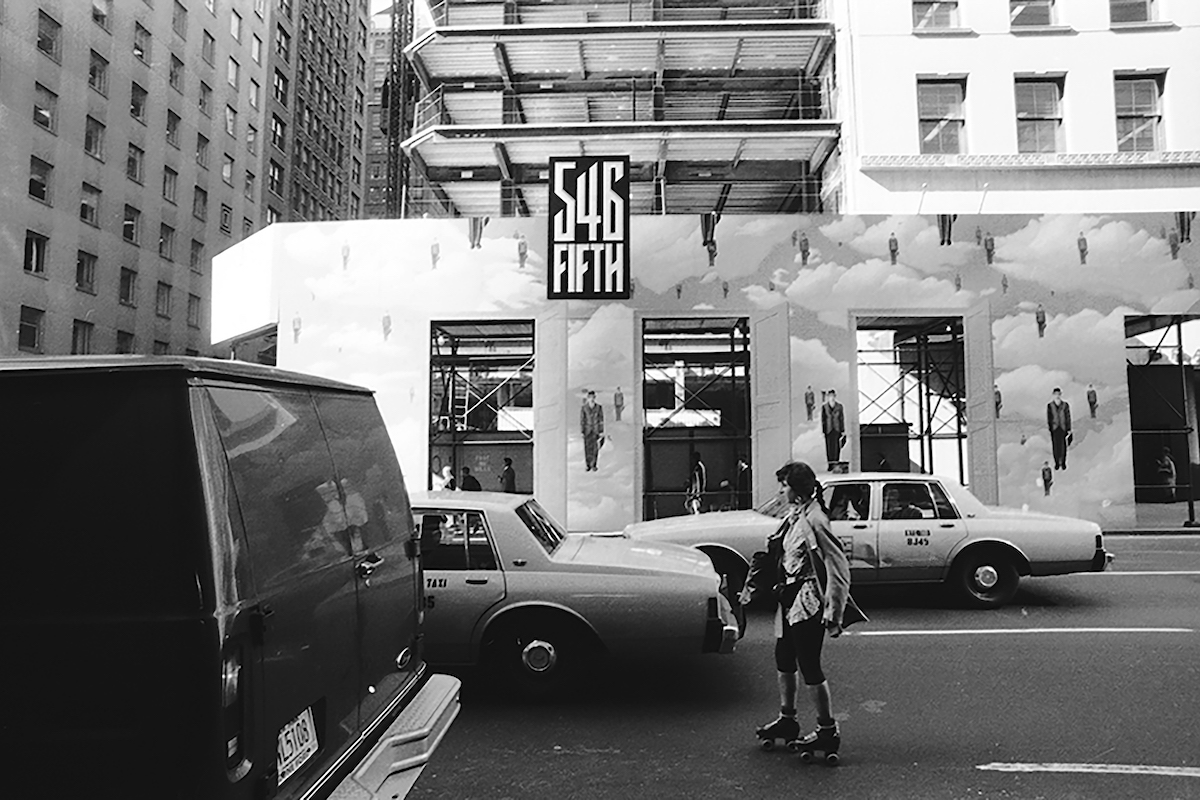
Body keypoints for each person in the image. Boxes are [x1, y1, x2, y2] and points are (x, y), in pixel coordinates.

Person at [743, 461, 866, 759]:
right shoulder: (794, 515)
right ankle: (788, 721)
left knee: (809, 664)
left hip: (808, 601)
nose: (780, 490)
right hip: (788, 598)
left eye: (784, 485)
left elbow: (838, 566)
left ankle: (827, 731)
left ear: (796, 490)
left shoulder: (816, 519)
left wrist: (833, 609)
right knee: (784, 658)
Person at [1047, 387, 1072, 470]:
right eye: (1055, 394)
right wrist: (1050, 428)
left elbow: (1068, 417)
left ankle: (1063, 462)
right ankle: (1057, 462)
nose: (1057, 396)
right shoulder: (1050, 406)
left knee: (1063, 446)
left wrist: (1069, 428)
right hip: (1054, 428)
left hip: (1063, 427)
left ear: (1060, 395)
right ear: (1053, 395)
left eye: (1058, 394)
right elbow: (1049, 418)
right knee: (1055, 446)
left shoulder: (1065, 405)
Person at [581, 390, 605, 472]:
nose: (591, 399)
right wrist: (582, 431)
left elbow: (601, 420)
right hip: (587, 430)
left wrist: (601, 431)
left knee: (595, 448)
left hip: (595, 430)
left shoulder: (598, 407)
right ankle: (588, 465)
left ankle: (594, 464)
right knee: (587, 448)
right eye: (590, 397)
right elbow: (582, 420)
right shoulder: (584, 408)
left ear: (595, 398)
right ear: (588, 398)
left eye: (593, 397)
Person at [821, 389, 845, 465]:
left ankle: (836, 462)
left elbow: (841, 418)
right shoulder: (825, 407)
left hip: (837, 428)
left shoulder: (839, 406)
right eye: (830, 396)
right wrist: (824, 430)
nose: (831, 397)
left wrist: (842, 429)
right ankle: (830, 463)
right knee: (829, 446)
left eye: (833, 396)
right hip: (828, 429)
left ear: (835, 396)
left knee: (836, 446)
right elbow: (823, 419)